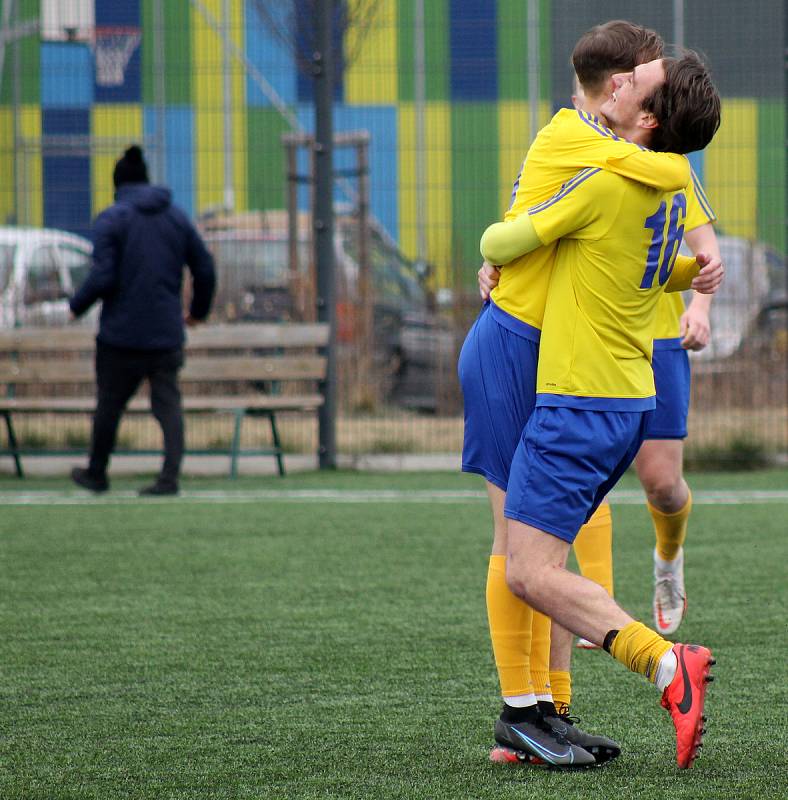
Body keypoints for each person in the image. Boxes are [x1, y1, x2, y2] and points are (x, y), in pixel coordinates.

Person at [462, 21, 720, 767]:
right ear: (618, 92)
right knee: (519, 542)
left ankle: (553, 711)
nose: (656, 84)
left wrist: (683, 274)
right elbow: (663, 178)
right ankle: (523, 714)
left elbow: (641, 215)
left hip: (560, 358)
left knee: (561, 534)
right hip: (515, 343)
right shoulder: (586, 143)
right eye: (650, 77)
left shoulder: (625, 151)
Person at [69, 145, 216, 496]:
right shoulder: (177, 218)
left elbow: (103, 276)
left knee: (110, 404)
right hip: (166, 333)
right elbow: (205, 268)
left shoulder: (111, 219)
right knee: (168, 405)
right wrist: (197, 313)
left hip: (120, 335)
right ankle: (169, 478)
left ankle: (97, 473)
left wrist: (77, 304)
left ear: (117, 184)